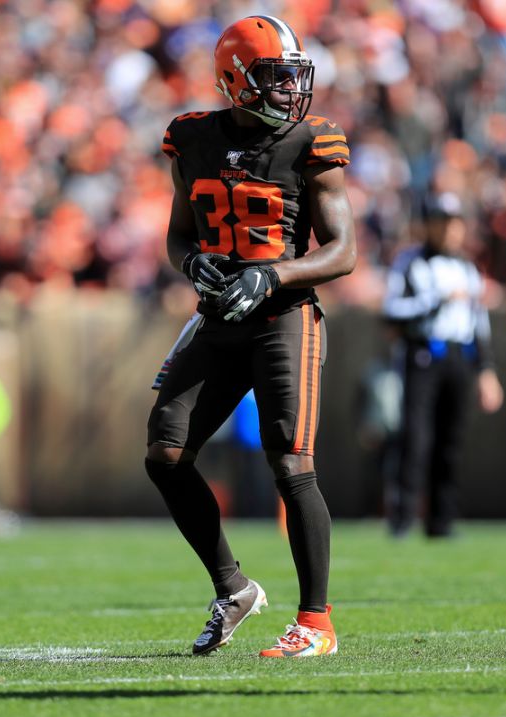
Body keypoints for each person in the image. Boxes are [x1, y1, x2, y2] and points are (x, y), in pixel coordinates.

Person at [145, 15, 357, 658]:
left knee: (291, 464)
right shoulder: (193, 138)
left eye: (294, 76)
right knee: (165, 451)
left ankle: (316, 623)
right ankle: (233, 587)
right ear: (235, 79)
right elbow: (179, 233)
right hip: (219, 319)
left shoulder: (311, 143)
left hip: (283, 317)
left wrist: (273, 277)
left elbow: (343, 251)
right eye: (274, 76)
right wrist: (189, 263)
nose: (290, 90)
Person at [383, 193, 503, 538]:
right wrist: (434, 301)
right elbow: (392, 310)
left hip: (459, 357)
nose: (449, 230)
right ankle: (403, 517)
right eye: (442, 222)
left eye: (454, 223)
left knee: (451, 440)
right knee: (416, 438)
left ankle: (442, 520)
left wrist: (487, 370)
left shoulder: (468, 268)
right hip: (423, 355)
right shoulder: (410, 262)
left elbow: (479, 323)